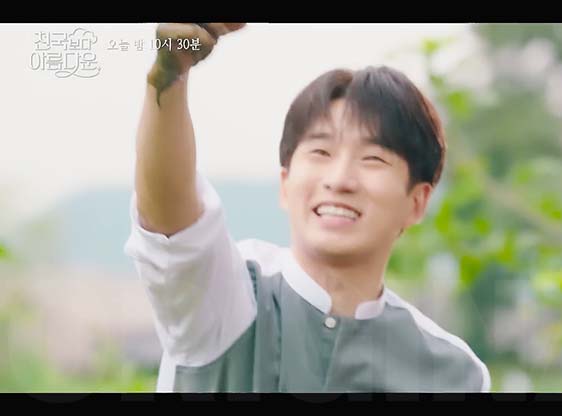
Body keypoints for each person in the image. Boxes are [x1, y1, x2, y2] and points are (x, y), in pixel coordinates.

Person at [124, 22, 490, 393]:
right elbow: (174, 228)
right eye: (321, 151)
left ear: (417, 202)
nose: (340, 179)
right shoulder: (230, 296)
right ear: (285, 184)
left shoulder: (453, 374)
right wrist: (171, 72)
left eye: (373, 159)